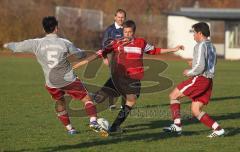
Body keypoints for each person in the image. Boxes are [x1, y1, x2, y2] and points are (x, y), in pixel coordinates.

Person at [3, 16, 108, 137]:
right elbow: (80, 55)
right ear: (57, 28)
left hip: (51, 83)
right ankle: (93, 121)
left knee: (60, 102)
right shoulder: (64, 43)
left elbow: (16, 46)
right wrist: (80, 51)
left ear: (44, 29)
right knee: (87, 99)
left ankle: (70, 129)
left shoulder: (36, 43)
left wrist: (6, 44)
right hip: (68, 80)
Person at [98, 20, 184, 133]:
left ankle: (114, 126)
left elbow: (154, 50)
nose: (127, 34)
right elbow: (104, 50)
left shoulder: (141, 42)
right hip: (120, 76)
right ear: (122, 31)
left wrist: (173, 49)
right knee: (100, 98)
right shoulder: (117, 43)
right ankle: (95, 119)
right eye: (125, 32)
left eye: (129, 32)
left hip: (134, 79)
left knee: (131, 101)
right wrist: (104, 57)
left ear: (133, 32)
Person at [163, 22, 225, 138]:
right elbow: (212, 62)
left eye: (194, 33)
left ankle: (177, 126)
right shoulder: (211, 45)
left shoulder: (201, 45)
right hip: (208, 81)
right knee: (196, 110)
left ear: (200, 33)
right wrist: (194, 63)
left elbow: (200, 67)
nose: (193, 36)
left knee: (173, 96)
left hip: (200, 79)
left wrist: (190, 71)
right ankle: (218, 129)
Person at [93, 9, 127, 110]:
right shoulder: (110, 30)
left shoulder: (127, 29)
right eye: (119, 17)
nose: (121, 19)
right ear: (115, 17)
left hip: (126, 58)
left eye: (122, 17)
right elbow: (104, 45)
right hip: (113, 58)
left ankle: (122, 104)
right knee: (116, 79)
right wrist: (104, 58)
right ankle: (108, 100)